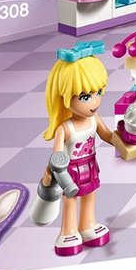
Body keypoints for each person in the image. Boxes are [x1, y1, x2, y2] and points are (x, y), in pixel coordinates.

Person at [41, 44, 117, 256]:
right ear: (64, 98)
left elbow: (107, 135)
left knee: (90, 194)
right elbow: (57, 156)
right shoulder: (65, 128)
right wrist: (52, 173)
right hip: (69, 170)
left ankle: (88, 225)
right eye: (85, 96)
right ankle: (68, 231)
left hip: (90, 164)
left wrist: (123, 138)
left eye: (98, 92)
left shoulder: (94, 119)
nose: (95, 101)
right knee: (70, 200)